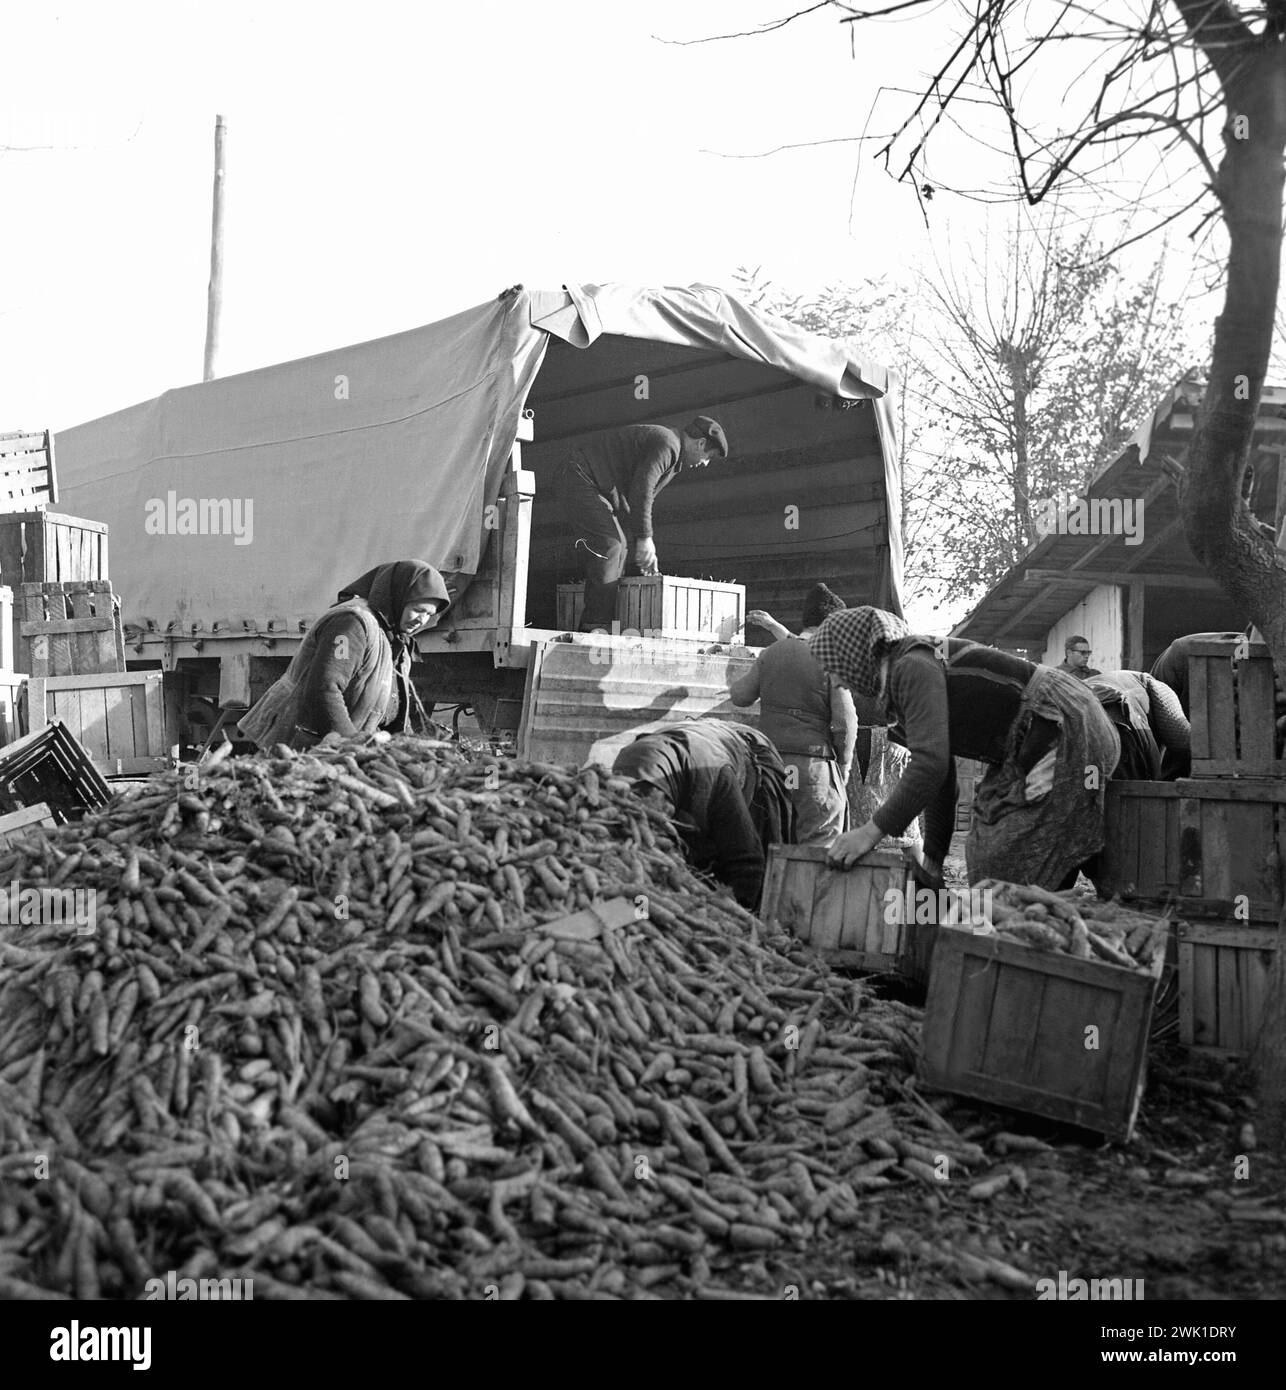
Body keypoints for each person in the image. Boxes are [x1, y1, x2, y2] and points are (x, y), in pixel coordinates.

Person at [809, 607, 1120, 891]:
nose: (836, 681)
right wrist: (933, 860)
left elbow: (930, 765)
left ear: (853, 654)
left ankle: (1032, 936)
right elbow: (939, 776)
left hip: (1061, 723)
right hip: (1031, 737)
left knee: (1006, 857)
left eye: (834, 666)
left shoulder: (911, 666)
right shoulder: (901, 684)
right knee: (987, 851)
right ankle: (1023, 924)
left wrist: (870, 833)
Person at [239, 560, 451, 751]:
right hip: (299, 744)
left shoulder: (395, 635)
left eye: (429, 615)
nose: (421, 621)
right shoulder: (352, 624)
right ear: (398, 596)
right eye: (418, 610)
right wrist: (349, 743)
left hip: (334, 746)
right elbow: (325, 687)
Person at [563, 416, 729, 632]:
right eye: (709, 456)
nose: (705, 463)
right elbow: (642, 490)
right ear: (701, 443)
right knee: (610, 545)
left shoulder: (673, 454)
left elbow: (638, 497)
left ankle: (601, 624)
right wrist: (644, 537)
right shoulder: (668, 444)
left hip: (590, 481)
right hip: (580, 476)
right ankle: (593, 628)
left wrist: (642, 544)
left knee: (619, 548)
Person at [611, 717, 794, 909]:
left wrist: (736, 915)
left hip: (745, 749)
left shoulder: (714, 776)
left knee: (757, 868)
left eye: (663, 810)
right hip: (687, 741)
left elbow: (747, 862)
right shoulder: (624, 779)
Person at [731, 584, 856, 845]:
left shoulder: (771, 653)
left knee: (772, 838)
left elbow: (740, 696)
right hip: (812, 766)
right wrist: (843, 766)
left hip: (770, 766)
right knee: (819, 844)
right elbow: (845, 723)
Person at [1085, 670, 1190, 780]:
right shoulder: (1159, 688)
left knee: (1090, 784)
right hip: (1119, 712)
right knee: (1143, 784)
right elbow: (1182, 739)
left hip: (1082, 715)